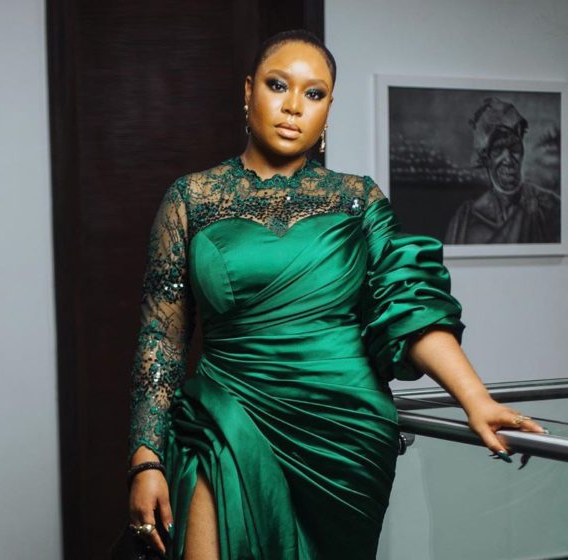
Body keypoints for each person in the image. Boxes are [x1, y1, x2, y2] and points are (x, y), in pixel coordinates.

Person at [126, 30, 546, 560]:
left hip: (343, 437)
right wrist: (145, 459)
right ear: (249, 90)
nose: (293, 106)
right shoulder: (191, 198)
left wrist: (476, 400)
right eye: (278, 85)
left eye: (314, 93)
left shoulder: (357, 199)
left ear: (328, 109)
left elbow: (411, 310)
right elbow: (161, 340)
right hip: (225, 418)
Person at [445, 97, 561, 244]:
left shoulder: (548, 207)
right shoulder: (465, 219)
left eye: (514, 147)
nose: (508, 159)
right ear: (485, 158)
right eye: (498, 149)